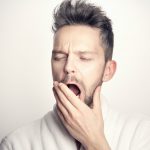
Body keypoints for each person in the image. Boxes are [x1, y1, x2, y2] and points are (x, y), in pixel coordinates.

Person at [0, 0, 150, 150]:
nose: (68, 67)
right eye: (59, 57)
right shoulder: (16, 143)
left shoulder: (142, 134)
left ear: (108, 71)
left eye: (84, 58)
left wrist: (94, 141)